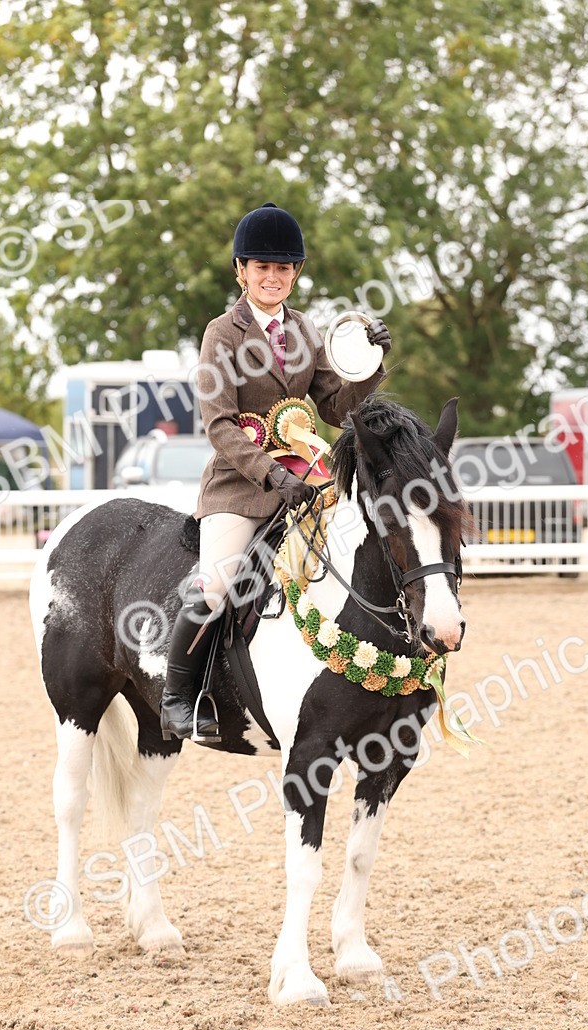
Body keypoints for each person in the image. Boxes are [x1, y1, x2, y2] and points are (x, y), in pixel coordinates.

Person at [159, 201, 391, 741]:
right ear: (241, 271)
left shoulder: (307, 331)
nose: (272, 277)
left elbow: (336, 408)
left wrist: (371, 367)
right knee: (216, 584)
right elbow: (218, 425)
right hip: (240, 489)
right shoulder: (223, 333)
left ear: (296, 274)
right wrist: (270, 474)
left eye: (283, 268)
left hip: (307, 484)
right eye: (261, 267)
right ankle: (178, 697)